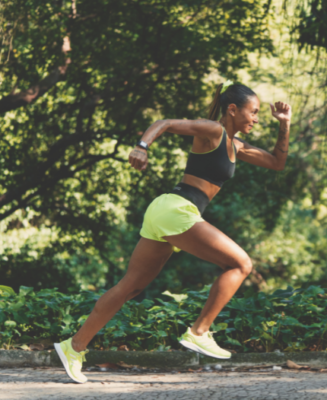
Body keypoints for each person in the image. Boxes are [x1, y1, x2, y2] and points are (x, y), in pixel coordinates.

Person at [54, 81, 292, 384]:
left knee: (131, 287)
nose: (256, 118)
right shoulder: (213, 130)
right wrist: (142, 147)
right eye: (253, 112)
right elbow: (165, 123)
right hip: (177, 210)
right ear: (232, 109)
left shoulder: (236, 145)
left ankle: (73, 347)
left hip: (166, 212)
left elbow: (276, 162)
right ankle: (199, 332)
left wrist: (284, 125)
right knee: (241, 264)